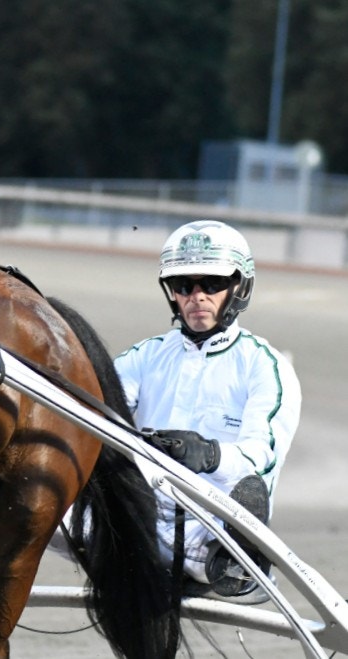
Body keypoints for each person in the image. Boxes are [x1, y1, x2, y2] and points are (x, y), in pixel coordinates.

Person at [114, 219, 301, 599]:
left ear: (239, 287)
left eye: (212, 285)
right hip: (142, 516)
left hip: (211, 521)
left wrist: (209, 454)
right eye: (185, 286)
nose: (197, 296)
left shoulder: (265, 365)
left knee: (242, 497)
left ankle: (238, 560)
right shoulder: (144, 356)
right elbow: (97, 405)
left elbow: (261, 456)